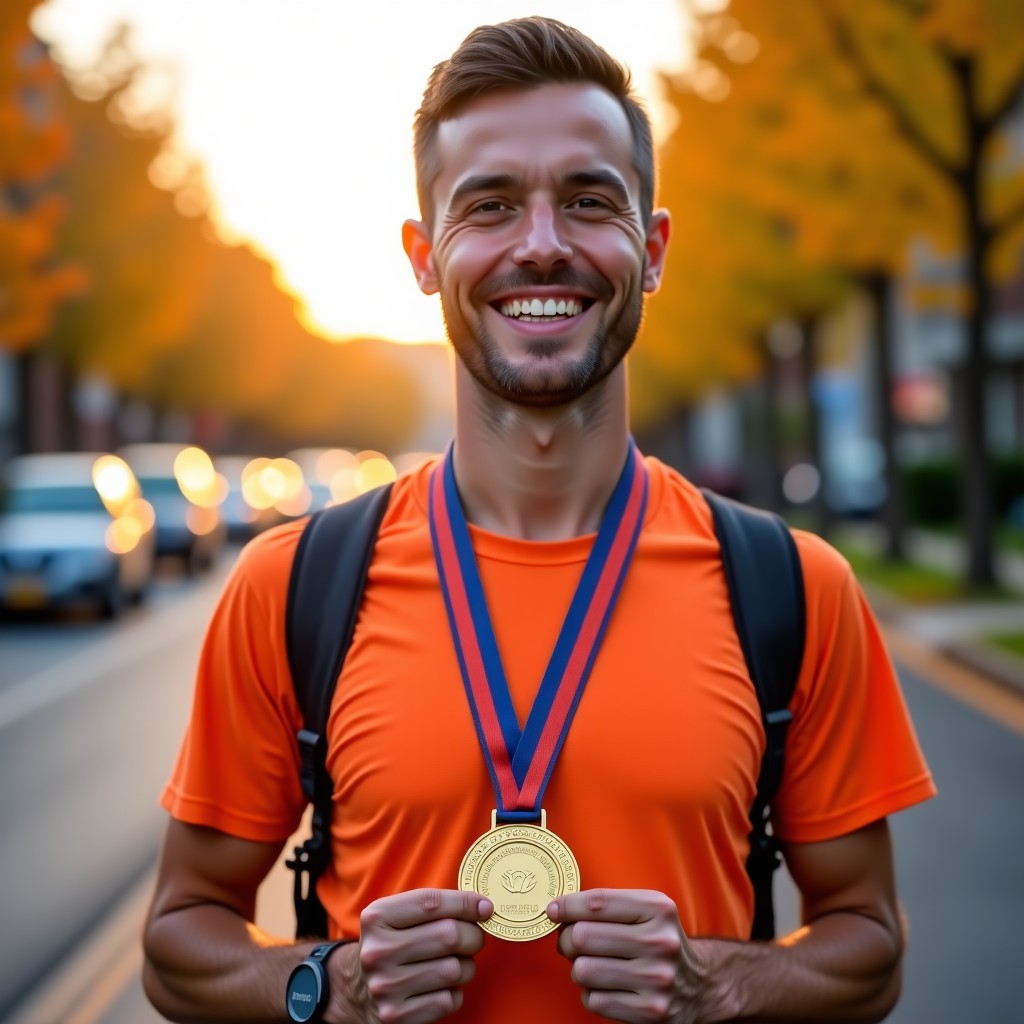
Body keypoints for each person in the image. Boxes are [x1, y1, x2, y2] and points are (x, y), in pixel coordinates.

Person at [142, 16, 935, 1024]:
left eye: (589, 200)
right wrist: (325, 985)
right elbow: (178, 940)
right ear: (425, 255)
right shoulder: (292, 587)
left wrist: (723, 981)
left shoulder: (792, 587)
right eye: (491, 205)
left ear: (650, 250)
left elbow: (869, 944)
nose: (544, 244)